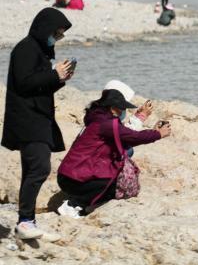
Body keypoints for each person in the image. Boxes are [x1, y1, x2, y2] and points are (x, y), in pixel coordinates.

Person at [2, 8, 74, 241]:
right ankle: (25, 221)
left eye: (61, 35)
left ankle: (26, 222)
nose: (58, 38)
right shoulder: (26, 49)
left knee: (31, 170)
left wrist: (59, 79)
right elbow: (23, 84)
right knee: (40, 168)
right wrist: (54, 75)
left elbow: (38, 86)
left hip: (36, 118)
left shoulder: (39, 51)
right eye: (57, 33)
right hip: (27, 120)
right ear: (45, 29)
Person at [56, 88, 170, 216]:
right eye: (121, 107)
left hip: (66, 175)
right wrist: (158, 134)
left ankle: (79, 203)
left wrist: (147, 125)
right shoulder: (107, 124)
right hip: (74, 178)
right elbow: (133, 137)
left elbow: (125, 136)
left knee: (114, 171)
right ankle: (74, 205)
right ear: (111, 107)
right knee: (114, 183)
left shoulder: (96, 118)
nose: (122, 111)